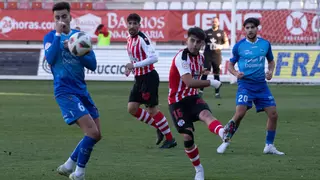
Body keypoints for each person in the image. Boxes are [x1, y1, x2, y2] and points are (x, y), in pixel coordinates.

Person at [43, 2, 101, 180]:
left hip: (82, 91)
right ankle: (79, 173)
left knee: (96, 134)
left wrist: (77, 50)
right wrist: (59, 36)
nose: (61, 20)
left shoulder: (80, 37)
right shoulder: (50, 37)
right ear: (54, 20)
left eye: (64, 16)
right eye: (57, 18)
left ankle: (69, 165)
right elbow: (51, 59)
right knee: (92, 132)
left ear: (70, 16)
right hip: (64, 91)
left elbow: (93, 64)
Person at [217, 17, 285, 155]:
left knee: (273, 114)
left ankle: (269, 146)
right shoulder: (239, 46)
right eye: (247, 28)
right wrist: (236, 73)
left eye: (252, 27)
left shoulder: (265, 44)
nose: (250, 30)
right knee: (240, 113)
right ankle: (226, 140)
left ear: (257, 28)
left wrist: (270, 72)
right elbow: (230, 65)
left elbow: (271, 62)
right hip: (245, 85)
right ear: (244, 29)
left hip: (261, 85)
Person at [168, 27, 224, 180]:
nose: (194, 44)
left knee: (206, 114)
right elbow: (189, 82)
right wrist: (212, 82)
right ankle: (199, 169)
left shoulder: (200, 59)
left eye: (198, 42)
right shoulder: (182, 57)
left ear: (202, 45)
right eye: (192, 40)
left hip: (192, 97)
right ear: (187, 40)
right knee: (187, 136)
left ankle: (223, 133)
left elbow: (195, 81)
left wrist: (205, 78)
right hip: (177, 101)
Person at [125, 13, 177, 149]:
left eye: (134, 23)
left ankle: (170, 139)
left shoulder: (143, 38)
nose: (132, 26)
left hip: (149, 77)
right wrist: (130, 68)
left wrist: (134, 66)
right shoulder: (129, 39)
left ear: (139, 25)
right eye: (129, 23)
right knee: (132, 108)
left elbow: (154, 57)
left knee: (152, 110)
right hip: (139, 78)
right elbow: (134, 59)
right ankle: (160, 127)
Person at [200, 17, 229, 98]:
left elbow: (227, 44)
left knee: (216, 74)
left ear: (218, 23)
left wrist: (220, 46)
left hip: (217, 56)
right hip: (207, 55)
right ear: (210, 23)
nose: (214, 23)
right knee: (205, 73)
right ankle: (201, 91)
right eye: (212, 22)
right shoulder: (206, 32)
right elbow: (202, 43)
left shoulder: (222, 32)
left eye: (215, 22)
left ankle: (217, 93)